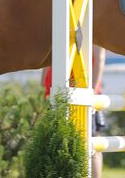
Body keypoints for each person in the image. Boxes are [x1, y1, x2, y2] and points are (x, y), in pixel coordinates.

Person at [41, 45, 107, 178]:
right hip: (58, 89)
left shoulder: (94, 26)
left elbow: (100, 58)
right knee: (62, 142)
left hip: (77, 89)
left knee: (92, 143)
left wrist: (93, 90)